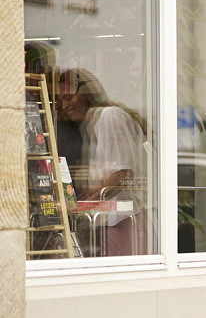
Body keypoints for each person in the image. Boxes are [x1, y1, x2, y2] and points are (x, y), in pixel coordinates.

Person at [58, 68, 149, 257]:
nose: (63, 105)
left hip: (122, 220)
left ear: (88, 94)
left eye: (68, 97)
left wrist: (84, 205)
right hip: (107, 221)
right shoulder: (88, 125)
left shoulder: (109, 116)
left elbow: (122, 174)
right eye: (59, 100)